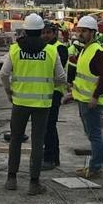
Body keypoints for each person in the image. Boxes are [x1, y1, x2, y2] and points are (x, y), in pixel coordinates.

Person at [1, 13, 66, 195]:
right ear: (40, 30)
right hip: (42, 103)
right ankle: (34, 183)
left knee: (15, 139)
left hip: (20, 102)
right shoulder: (51, 51)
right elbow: (61, 77)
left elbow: (3, 75)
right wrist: (50, 86)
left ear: (25, 29)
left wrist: (9, 92)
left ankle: (11, 179)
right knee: (38, 142)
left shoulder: (15, 49)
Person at [71, 15, 103, 179]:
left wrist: (95, 96)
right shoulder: (85, 49)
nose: (81, 33)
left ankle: (95, 167)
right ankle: (94, 165)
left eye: (84, 31)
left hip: (91, 102)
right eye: (79, 30)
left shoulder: (97, 51)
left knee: (94, 135)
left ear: (93, 33)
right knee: (90, 134)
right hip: (83, 100)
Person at [40, 21, 68, 171]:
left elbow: (56, 71)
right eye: (43, 32)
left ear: (54, 33)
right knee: (48, 126)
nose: (45, 35)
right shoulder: (43, 48)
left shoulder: (60, 49)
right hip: (44, 92)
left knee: (49, 126)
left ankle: (49, 158)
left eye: (48, 32)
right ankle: (53, 157)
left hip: (55, 92)